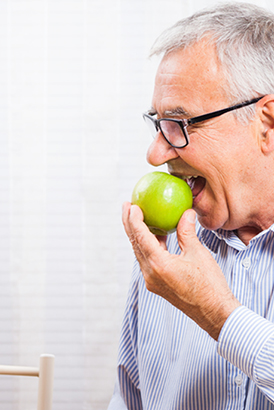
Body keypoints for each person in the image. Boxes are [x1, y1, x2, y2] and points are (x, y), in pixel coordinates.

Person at [108, 2, 274, 409]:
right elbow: (129, 397)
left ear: (266, 123)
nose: (155, 153)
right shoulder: (170, 253)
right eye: (158, 123)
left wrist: (217, 312)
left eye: (179, 124)